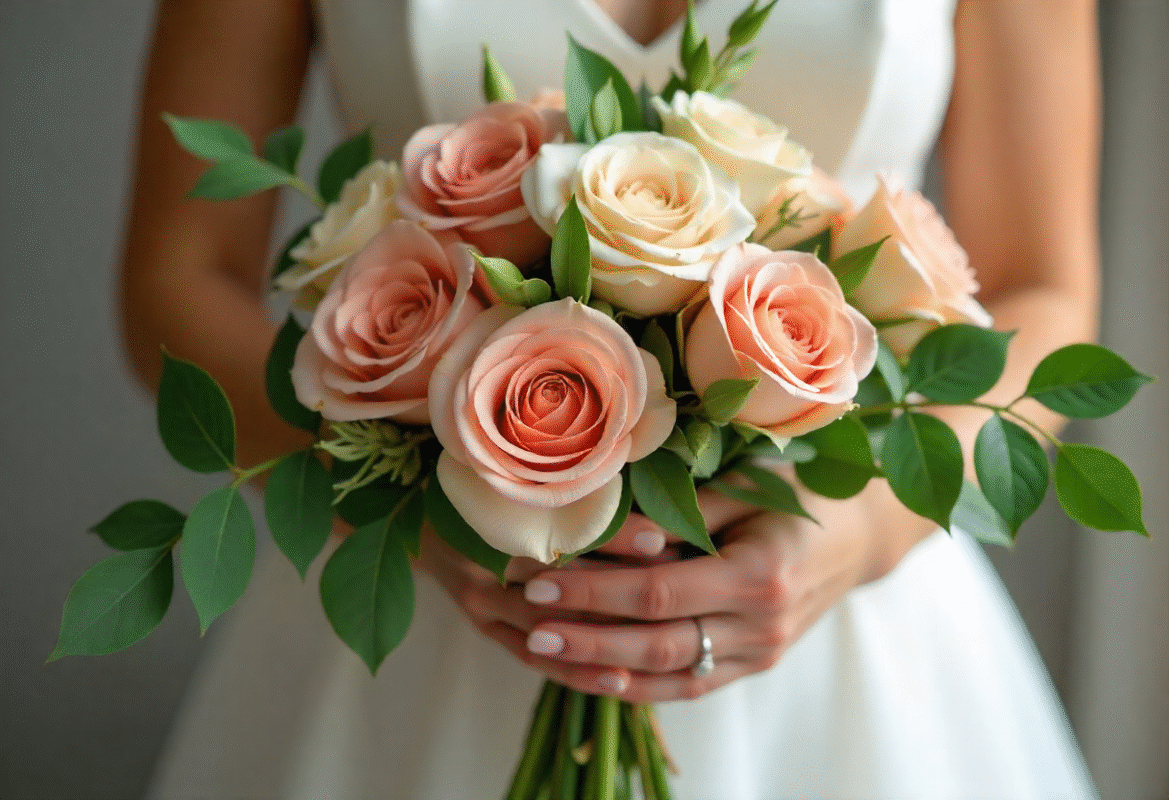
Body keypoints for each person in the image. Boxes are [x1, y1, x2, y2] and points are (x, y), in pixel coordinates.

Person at [126, 1, 1101, 797]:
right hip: (413, 604)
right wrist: (405, 509)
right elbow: (178, 278)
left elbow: (1043, 290)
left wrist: (860, 532)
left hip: (840, 617)